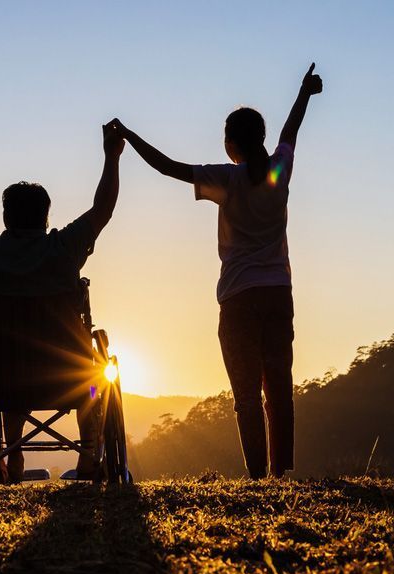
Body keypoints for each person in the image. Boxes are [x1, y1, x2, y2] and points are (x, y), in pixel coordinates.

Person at [111, 64, 323, 478]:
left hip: (239, 296)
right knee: (279, 387)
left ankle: (257, 476)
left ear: (230, 145)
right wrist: (304, 93)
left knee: (246, 395)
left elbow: (167, 167)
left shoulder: (228, 178)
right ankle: (281, 473)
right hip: (278, 292)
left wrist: (129, 136)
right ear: (260, 139)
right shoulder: (279, 170)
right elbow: (290, 131)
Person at [0, 123, 125, 483]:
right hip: (73, 378)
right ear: (45, 217)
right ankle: (89, 452)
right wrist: (111, 157)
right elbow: (103, 209)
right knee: (94, 375)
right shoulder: (64, 249)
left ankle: (15, 455)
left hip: (4, 382)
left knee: (10, 358)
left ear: (6, 217)